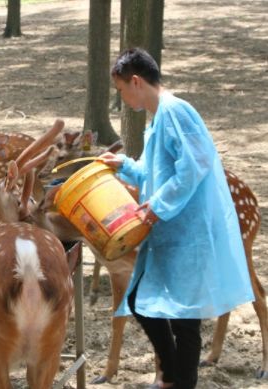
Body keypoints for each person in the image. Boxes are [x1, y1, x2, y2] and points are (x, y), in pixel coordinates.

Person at [99, 48, 254, 389]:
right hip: (169, 233)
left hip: (189, 232)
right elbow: (156, 172)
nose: (122, 98)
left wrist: (157, 205)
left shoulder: (176, 111)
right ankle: (171, 375)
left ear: (136, 81)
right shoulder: (158, 120)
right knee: (141, 301)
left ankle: (179, 381)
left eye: (122, 89)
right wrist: (123, 165)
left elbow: (194, 165)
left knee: (185, 321)